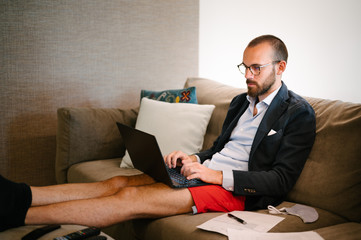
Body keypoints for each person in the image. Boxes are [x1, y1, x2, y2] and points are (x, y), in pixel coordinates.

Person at [0, 35, 316, 232]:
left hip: (242, 192)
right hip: (209, 173)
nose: (248, 75)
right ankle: (18, 195)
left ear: (281, 67)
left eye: (256, 68)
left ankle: (16, 216)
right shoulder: (240, 102)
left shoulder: (297, 113)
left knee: (129, 197)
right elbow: (220, 149)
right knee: (119, 181)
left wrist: (214, 176)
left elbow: (280, 180)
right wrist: (193, 158)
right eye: (244, 67)